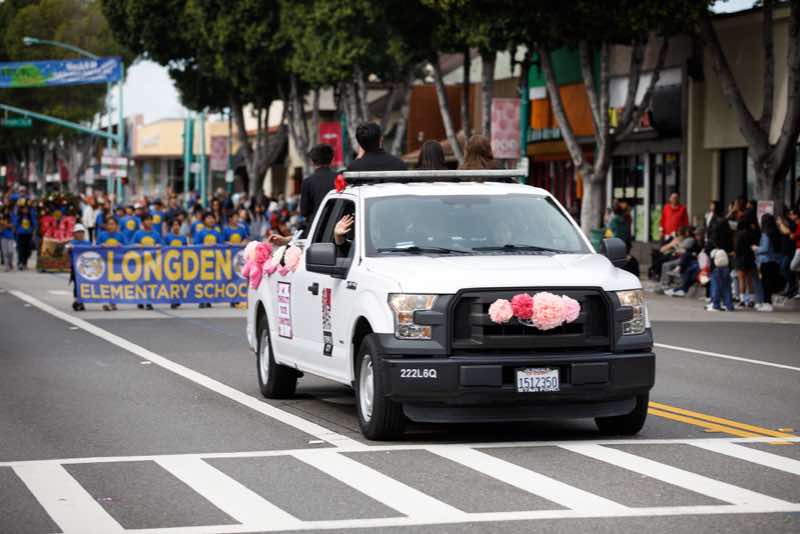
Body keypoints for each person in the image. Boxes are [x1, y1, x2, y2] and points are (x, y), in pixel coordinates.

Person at [300, 144, 337, 236]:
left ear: (312, 161)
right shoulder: (339, 178)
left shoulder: (308, 182)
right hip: (337, 226)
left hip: (315, 230)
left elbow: (304, 211)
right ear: (331, 159)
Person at [752, 213, 782, 312]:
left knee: (766, 283)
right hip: (774, 260)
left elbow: (765, 248)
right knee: (769, 283)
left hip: (765, 261)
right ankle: (767, 303)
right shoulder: (776, 232)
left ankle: (767, 303)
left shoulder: (765, 234)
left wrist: (756, 248)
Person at [66, 224, 90, 311]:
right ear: (74, 234)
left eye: (82, 232)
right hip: (75, 267)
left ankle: (81, 301)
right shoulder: (71, 243)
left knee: (85, 284)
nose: (80, 234)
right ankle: (77, 300)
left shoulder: (87, 243)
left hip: (86, 267)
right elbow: (65, 251)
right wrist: (69, 249)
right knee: (77, 284)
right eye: (78, 232)